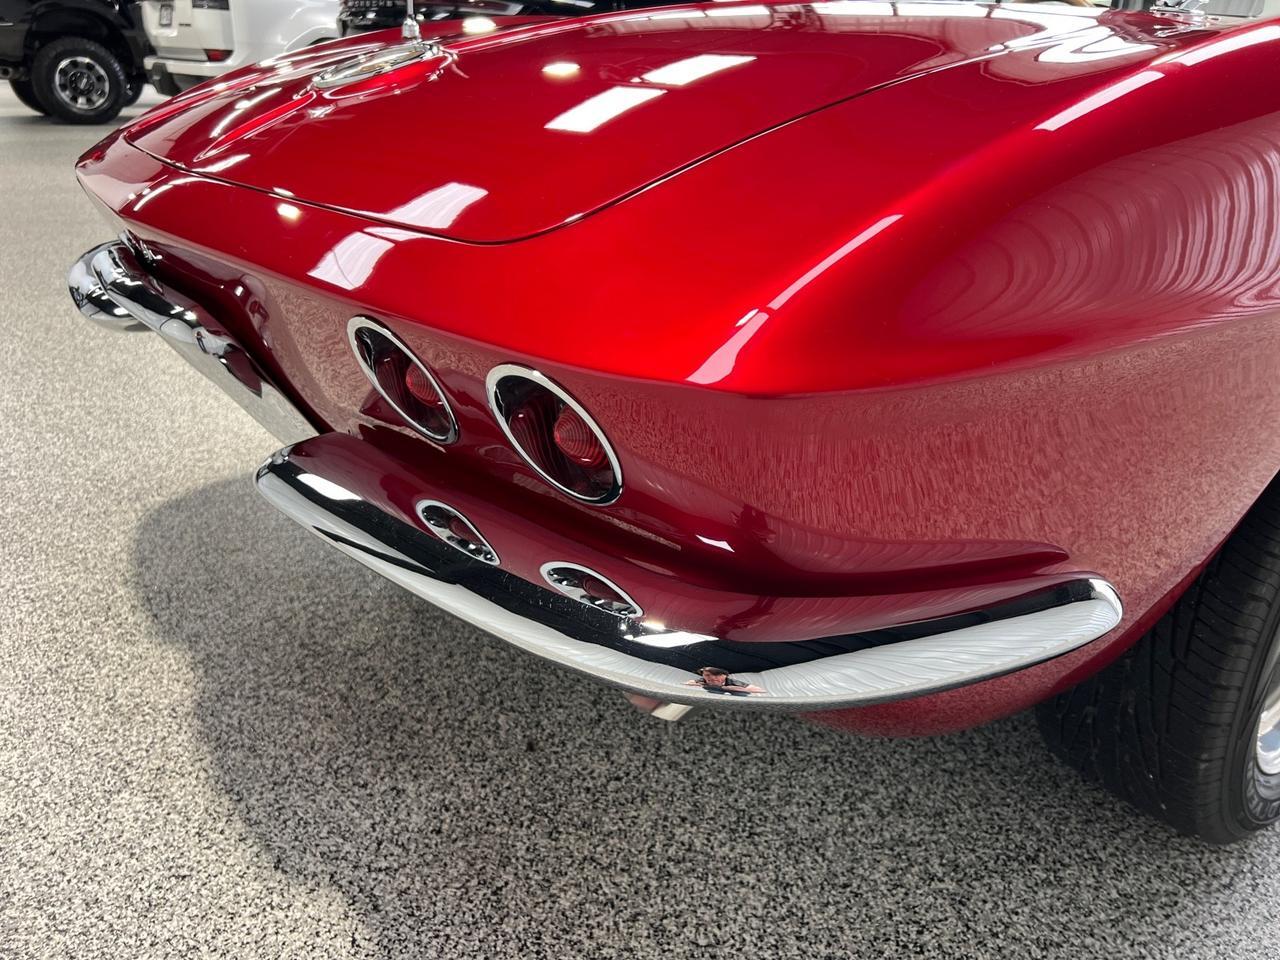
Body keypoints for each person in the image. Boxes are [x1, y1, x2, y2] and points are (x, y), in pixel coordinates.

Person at [684, 666, 766, 696]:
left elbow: (760, 690)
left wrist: (733, 688)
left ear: (724, 676)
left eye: (716, 675)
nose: (712, 678)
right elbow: (687, 683)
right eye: (707, 675)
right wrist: (701, 685)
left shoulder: (732, 682)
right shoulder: (703, 680)